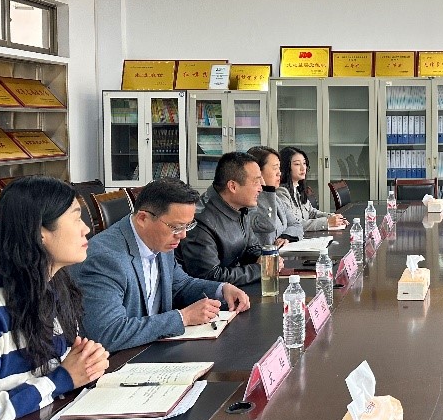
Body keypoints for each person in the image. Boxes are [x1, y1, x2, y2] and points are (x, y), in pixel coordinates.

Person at [0, 176, 109, 420]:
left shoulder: (52, 286)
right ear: (39, 232)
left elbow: (57, 372)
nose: (86, 229)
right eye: (76, 218)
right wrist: (62, 378)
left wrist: (86, 362)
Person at [72, 178, 250, 352]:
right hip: (118, 359)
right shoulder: (105, 259)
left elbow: (180, 285)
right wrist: (183, 318)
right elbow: (108, 333)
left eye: (187, 226)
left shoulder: (160, 238)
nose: (182, 235)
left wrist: (222, 289)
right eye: (176, 227)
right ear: (143, 218)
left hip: (152, 347)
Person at [179, 152, 281, 287]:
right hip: (208, 296)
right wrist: (261, 269)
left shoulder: (239, 207)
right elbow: (210, 276)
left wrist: (267, 258)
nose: (260, 189)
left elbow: (251, 247)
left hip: (234, 289)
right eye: (256, 182)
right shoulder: (199, 220)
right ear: (233, 186)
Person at [277, 146, 346, 231]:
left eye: (304, 163)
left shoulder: (297, 188)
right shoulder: (282, 192)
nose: (303, 168)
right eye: (297, 164)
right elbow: (295, 224)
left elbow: (311, 212)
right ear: (286, 167)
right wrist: (327, 222)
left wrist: (333, 217)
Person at [247, 146, 303, 247]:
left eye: (279, 168)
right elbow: (267, 225)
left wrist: (286, 237)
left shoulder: (276, 198)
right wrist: (266, 190)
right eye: (275, 168)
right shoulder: (247, 202)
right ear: (257, 171)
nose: (279, 173)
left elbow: (296, 224)